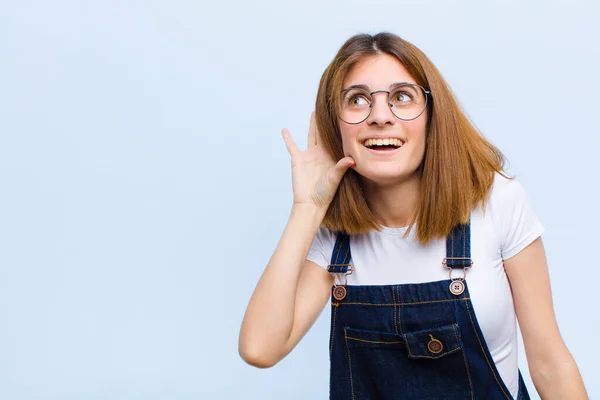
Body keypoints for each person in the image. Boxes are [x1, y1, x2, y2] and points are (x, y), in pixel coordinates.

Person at [238, 32, 587, 399]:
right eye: (357, 100)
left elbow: (550, 363)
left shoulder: (496, 201)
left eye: (401, 97)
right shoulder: (334, 235)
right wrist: (307, 209)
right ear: (335, 123)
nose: (380, 117)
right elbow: (260, 348)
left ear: (432, 115)